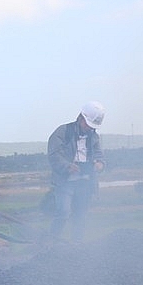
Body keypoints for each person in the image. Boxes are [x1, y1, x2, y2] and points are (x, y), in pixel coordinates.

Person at [47, 101, 106, 241]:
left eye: (92, 127)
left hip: (85, 182)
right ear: (80, 118)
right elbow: (54, 155)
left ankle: (77, 245)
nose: (89, 128)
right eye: (87, 124)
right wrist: (67, 166)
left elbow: (100, 156)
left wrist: (100, 165)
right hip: (65, 181)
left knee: (81, 215)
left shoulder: (94, 136)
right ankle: (52, 242)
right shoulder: (62, 132)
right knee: (63, 212)